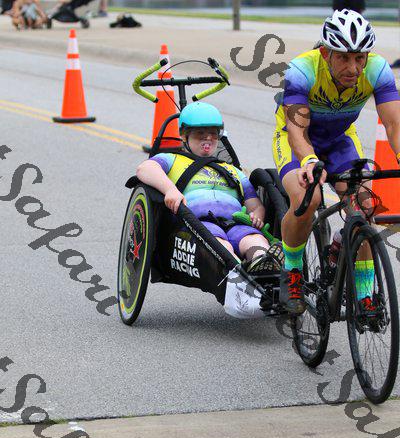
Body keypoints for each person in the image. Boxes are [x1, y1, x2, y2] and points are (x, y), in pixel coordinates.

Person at [273, 9, 400, 314]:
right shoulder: (302, 70)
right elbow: (297, 131)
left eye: (359, 58)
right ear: (325, 53)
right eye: (343, 57)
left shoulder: (378, 70)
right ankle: (292, 271)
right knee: (307, 198)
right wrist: (309, 161)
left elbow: (394, 125)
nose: (353, 68)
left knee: (365, 205)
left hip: (340, 139)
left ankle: (363, 291)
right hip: (297, 140)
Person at [137, 102, 282, 273]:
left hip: (235, 222)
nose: (208, 138)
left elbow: (255, 205)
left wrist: (256, 216)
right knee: (219, 242)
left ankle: (262, 261)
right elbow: (145, 168)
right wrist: (170, 190)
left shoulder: (233, 170)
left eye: (213, 134)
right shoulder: (172, 159)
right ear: (184, 136)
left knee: (253, 237)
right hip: (198, 224)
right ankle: (240, 272)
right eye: (200, 133)